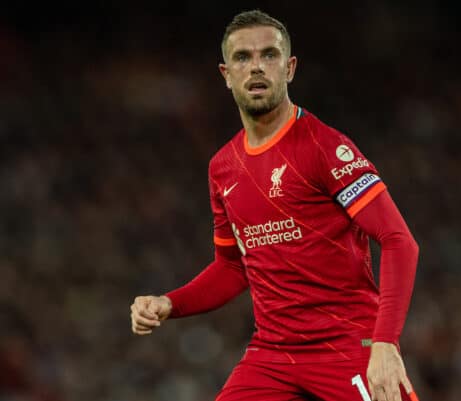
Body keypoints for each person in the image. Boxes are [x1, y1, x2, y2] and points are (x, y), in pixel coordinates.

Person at [130, 9, 420, 401]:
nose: (256, 68)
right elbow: (233, 267)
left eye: (269, 55)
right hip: (273, 356)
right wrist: (169, 303)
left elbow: (399, 239)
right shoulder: (223, 167)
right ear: (226, 74)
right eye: (243, 58)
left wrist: (384, 344)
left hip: (349, 345)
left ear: (290, 68)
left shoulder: (325, 147)